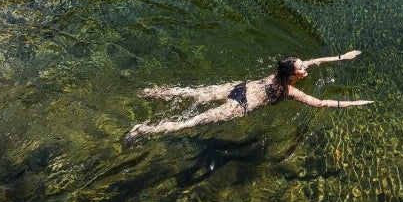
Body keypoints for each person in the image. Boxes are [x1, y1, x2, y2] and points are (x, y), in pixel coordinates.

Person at [127, 50, 373, 140]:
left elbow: (316, 61)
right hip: (239, 106)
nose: (305, 66)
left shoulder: (279, 74)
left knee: (191, 94)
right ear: (292, 74)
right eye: (302, 67)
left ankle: (149, 92)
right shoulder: (289, 91)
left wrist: (342, 57)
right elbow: (319, 103)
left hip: (239, 88)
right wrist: (354, 102)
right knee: (190, 122)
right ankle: (145, 131)